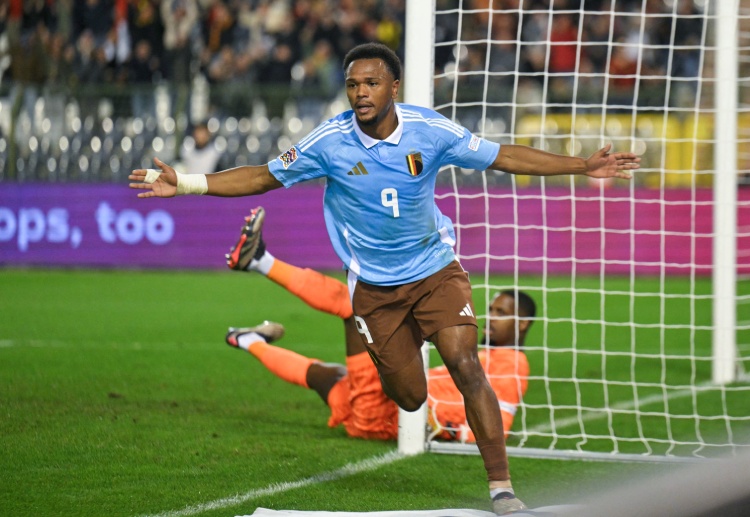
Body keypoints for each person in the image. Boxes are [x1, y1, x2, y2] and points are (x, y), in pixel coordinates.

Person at [129, 42, 639, 515]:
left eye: (371, 83)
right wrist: (187, 183)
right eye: (353, 85)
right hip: (375, 289)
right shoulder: (329, 141)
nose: (361, 93)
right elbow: (262, 176)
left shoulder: (429, 130)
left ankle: (501, 488)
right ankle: (389, 345)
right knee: (410, 398)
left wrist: (582, 166)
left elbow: (502, 155)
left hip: (435, 270)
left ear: (394, 87)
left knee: (466, 363)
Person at [224, 207, 532, 442]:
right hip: (380, 409)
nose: (491, 318)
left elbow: (498, 427)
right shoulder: (482, 354)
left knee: (351, 305)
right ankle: (247, 340)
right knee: (323, 373)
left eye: (502, 313)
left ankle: (258, 261)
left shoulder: (514, 363)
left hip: (384, 413)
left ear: (522, 325)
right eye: (492, 309)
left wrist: (443, 428)